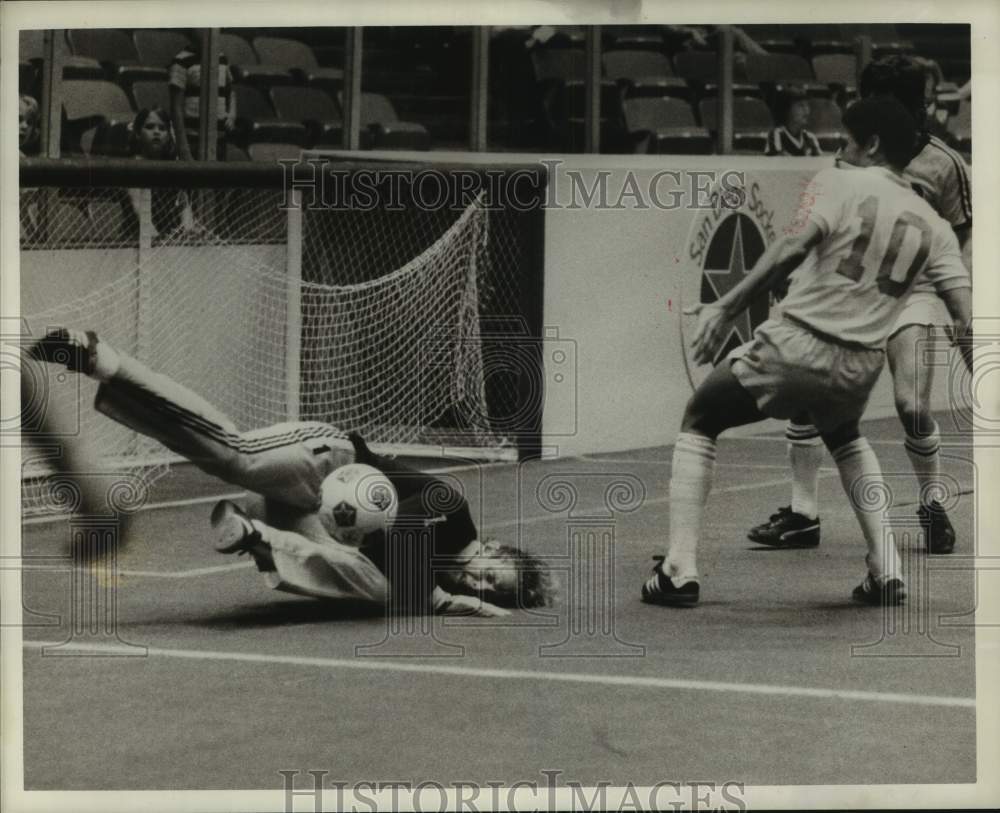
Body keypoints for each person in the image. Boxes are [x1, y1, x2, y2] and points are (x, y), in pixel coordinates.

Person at [641, 95, 972, 609]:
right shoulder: (936, 228)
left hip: (797, 345)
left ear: (873, 145)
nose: (840, 151)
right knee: (844, 435)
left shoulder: (838, 181)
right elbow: (967, 315)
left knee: (701, 415)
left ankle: (678, 570)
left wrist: (727, 308)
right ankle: (886, 569)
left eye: (846, 141)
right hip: (860, 366)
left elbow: (790, 249)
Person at [24, 328, 554, 618]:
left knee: (386, 594)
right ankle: (107, 361)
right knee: (234, 454)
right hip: (327, 461)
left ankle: (258, 534)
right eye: (492, 574)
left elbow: (381, 557)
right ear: (496, 550)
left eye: (489, 591)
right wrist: (438, 600)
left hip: (311, 513)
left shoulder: (430, 577)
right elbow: (397, 535)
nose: (479, 582)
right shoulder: (455, 516)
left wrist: (431, 596)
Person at [748, 54, 973, 554]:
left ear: (919, 107)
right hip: (851, 286)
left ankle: (931, 502)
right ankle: (803, 514)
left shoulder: (946, 165)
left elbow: (955, 240)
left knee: (911, 404)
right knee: (808, 393)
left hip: (913, 291)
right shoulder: (853, 154)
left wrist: (949, 300)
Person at [123, 108, 197, 238]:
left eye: (162, 128)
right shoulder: (133, 166)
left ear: (168, 135)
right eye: (150, 127)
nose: (156, 132)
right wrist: (156, 238)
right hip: (135, 240)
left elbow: (184, 206)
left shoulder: (172, 167)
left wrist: (188, 229)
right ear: (138, 133)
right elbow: (138, 206)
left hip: (167, 239)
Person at [168, 37, 236, 161]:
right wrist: (184, 150)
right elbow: (176, 107)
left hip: (219, 140)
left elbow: (231, 91)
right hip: (192, 140)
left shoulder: (221, 58)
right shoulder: (181, 60)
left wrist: (232, 114)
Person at [764, 87, 823, 157]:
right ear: (787, 109)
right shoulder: (777, 135)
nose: (807, 111)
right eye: (801, 106)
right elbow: (778, 163)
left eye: (807, 105)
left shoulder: (810, 138)